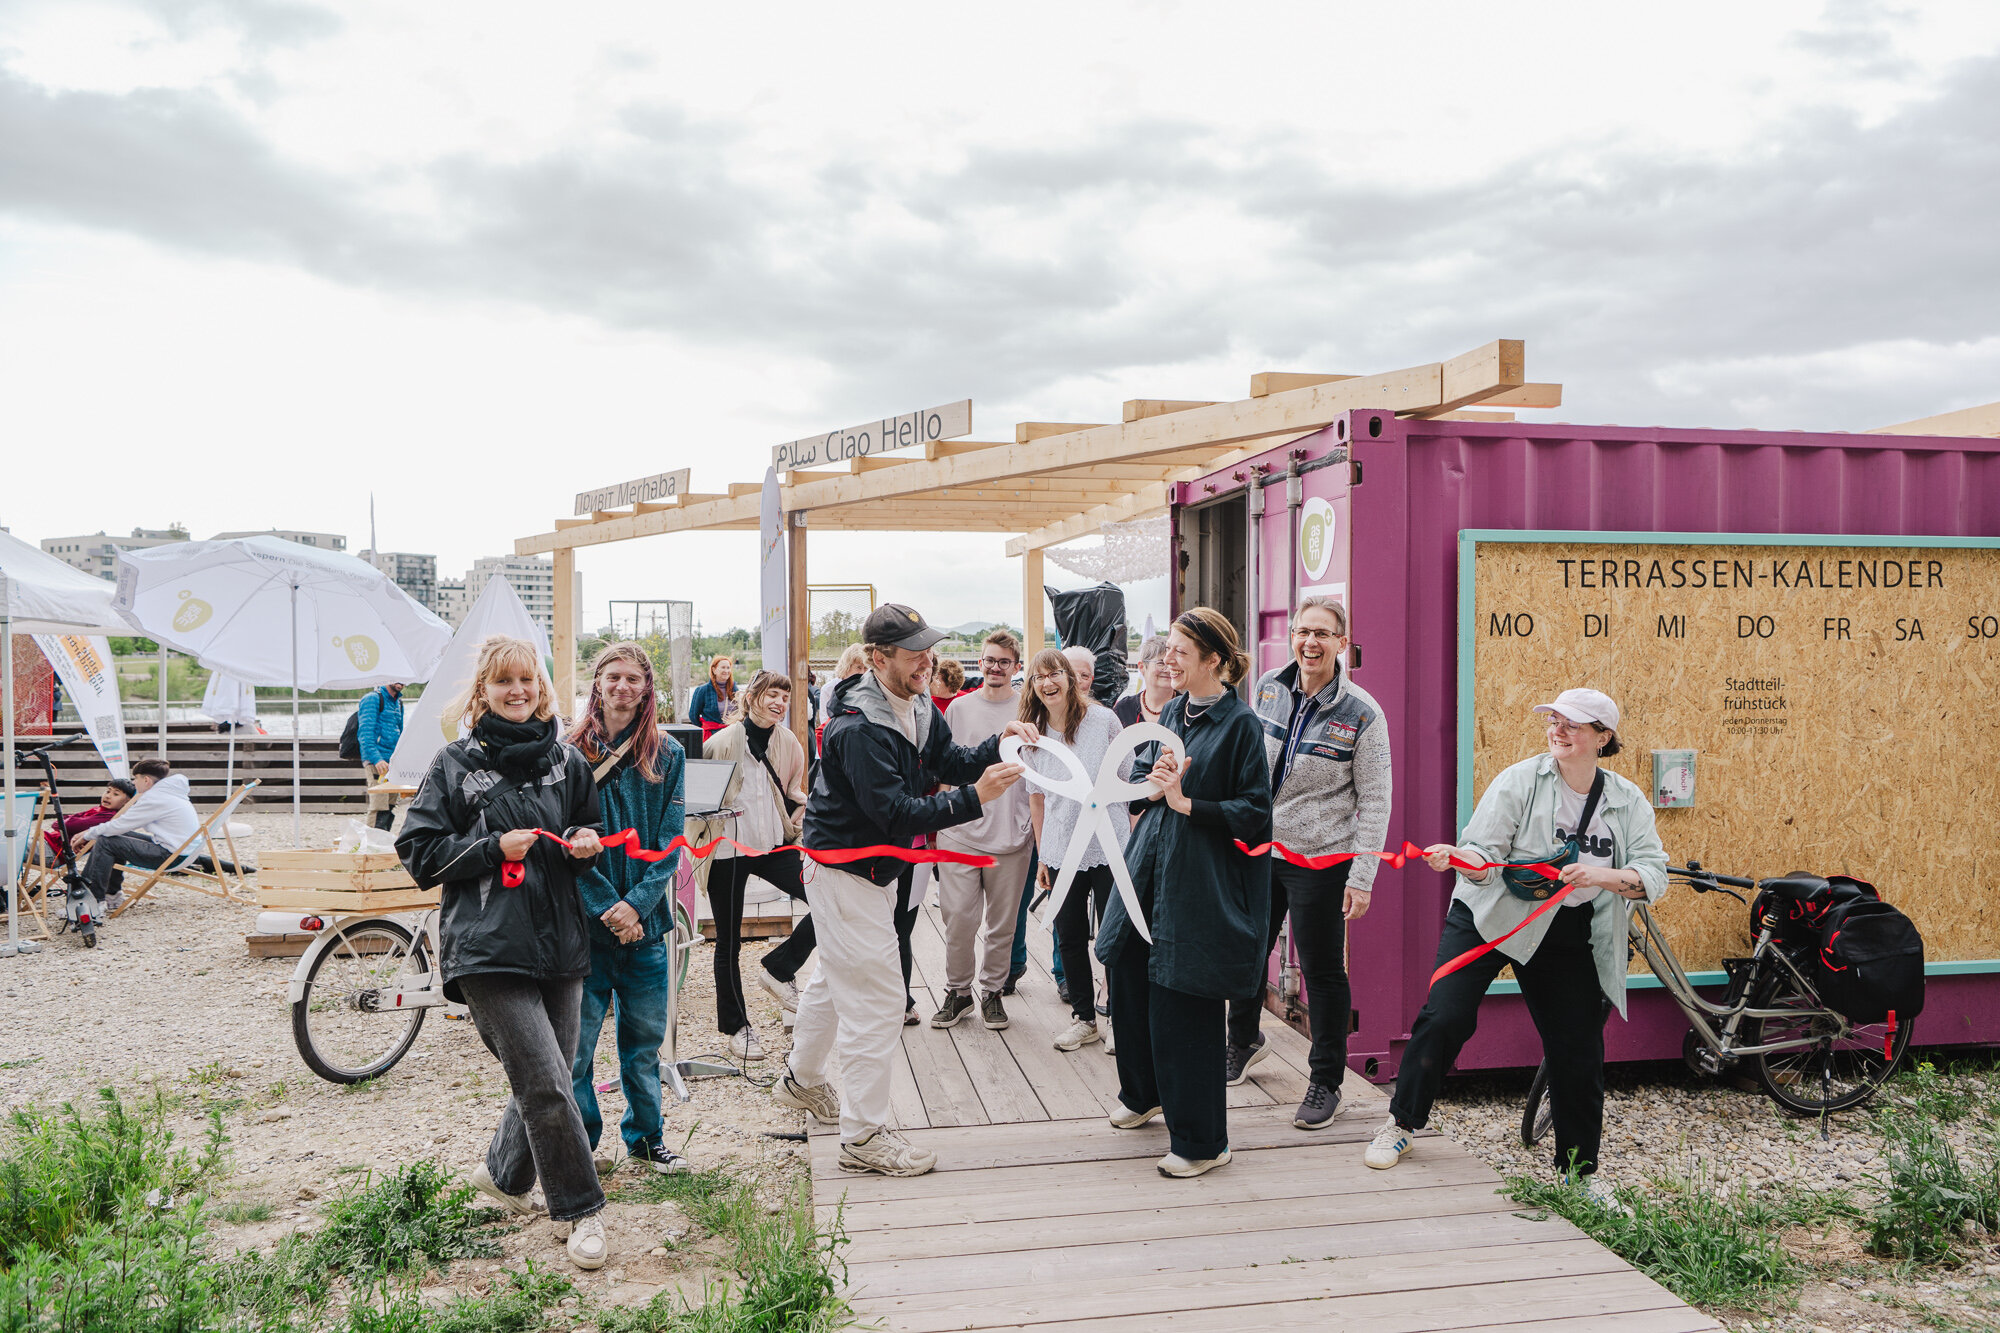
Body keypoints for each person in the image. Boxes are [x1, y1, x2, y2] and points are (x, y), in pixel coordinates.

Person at [1364, 688, 1666, 1198]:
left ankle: (1577, 1173)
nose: (1559, 729)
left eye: (1573, 723)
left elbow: (1652, 873)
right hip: (1492, 916)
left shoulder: (1625, 799)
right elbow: (1484, 852)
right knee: (1446, 1015)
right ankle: (1400, 1125)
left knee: (1578, 1048)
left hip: (1566, 929)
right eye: (1554, 719)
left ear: (1603, 737)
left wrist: (1600, 877)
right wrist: (1463, 859)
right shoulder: (1521, 781)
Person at [773, 603, 1032, 1177]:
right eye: (913, 652)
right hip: (845, 871)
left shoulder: (916, 706)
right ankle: (863, 1137)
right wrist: (978, 798)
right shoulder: (858, 727)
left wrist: (1001, 742)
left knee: (836, 979)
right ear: (878, 658)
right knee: (879, 1001)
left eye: (928, 649)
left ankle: (801, 1080)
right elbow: (896, 814)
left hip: (867, 870)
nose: (926, 661)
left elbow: (950, 760)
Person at [396, 636, 611, 1270]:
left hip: (563, 942)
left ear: (542, 688)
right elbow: (419, 854)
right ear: (482, 692)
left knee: (553, 1076)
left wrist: (583, 840)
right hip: (487, 949)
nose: (517, 691)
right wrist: (493, 848)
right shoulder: (453, 764)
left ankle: (505, 1175)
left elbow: (586, 822)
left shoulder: (568, 762)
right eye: (502, 682)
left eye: (527, 681)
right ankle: (581, 1211)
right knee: (546, 1082)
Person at [1098, 608, 1271, 1180]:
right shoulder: (1172, 710)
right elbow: (1149, 779)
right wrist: (1151, 785)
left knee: (1184, 993)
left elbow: (1255, 816)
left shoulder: (1241, 724)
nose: (1166, 660)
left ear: (1214, 660)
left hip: (1201, 880)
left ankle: (1203, 1141)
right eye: (1166, 649)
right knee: (1125, 964)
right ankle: (1144, 1091)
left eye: (1179, 651)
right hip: (1149, 864)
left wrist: (1188, 803)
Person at [1234, 595, 1391, 1129]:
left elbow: (1375, 801)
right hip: (1263, 849)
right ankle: (1242, 1040)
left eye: (1323, 633)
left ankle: (1326, 1080)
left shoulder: (1363, 713)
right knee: (1249, 949)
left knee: (1322, 971)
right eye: (1303, 632)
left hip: (1323, 859)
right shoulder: (1269, 688)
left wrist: (1363, 876)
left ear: (1342, 643)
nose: (1311, 642)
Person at [565, 643, 692, 1177]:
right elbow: (563, 840)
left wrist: (637, 905)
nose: (622, 688)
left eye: (632, 679)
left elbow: (670, 842)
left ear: (647, 688)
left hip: (646, 927)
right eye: (612, 677)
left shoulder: (668, 755)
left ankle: (646, 1138)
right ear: (598, 683)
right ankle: (581, 1143)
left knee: (643, 1043)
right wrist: (605, 905)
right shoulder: (568, 752)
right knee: (577, 1050)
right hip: (585, 929)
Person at [1021, 648, 1130, 1053]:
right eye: (1038, 677)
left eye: (1054, 675)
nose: (1047, 683)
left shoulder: (1102, 720)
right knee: (1069, 936)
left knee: (1114, 935)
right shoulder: (1032, 734)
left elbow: (1127, 777)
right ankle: (1084, 1018)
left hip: (1109, 843)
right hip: (1062, 845)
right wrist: (1044, 855)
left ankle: (1119, 1018)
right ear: (1033, 686)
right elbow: (1036, 798)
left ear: (1069, 678)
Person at [930, 632, 1034, 1032]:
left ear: (1016, 666)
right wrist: (940, 822)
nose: (995, 667)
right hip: (960, 832)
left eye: (1004, 662)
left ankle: (992, 992)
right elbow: (944, 767)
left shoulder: (1028, 709)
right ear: (980, 662)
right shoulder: (957, 708)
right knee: (957, 918)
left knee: (1003, 923)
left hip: (1011, 832)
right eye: (989, 660)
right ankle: (958, 992)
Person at [705, 670, 813, 1056]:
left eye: (785, 697)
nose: (779, 703)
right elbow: (703, 798)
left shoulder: (790, 743)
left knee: (826, 901)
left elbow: (797, 791)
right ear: (751, 697)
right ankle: (738, 1028)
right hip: (728, 849)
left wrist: (799, 816)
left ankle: (779, 968)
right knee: (728, 941)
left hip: (772, 844)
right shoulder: (720, 743)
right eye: (772, 694)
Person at [74, 759, 198, 911]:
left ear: (146, 780)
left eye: (135, 778)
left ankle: (90, 903)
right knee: (116, 836)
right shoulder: (170, 792)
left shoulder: (155, 798)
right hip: (183, 851)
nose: (133, 783)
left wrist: (87, 834)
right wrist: (90, 833)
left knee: (106, 841)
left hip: (172, 856)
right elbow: (120, 828)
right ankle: (112, 896)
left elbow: (120, 824)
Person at [40, 778, 133, 861]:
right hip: (48, 842)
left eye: (116, 794)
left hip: (53, 851)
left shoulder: (107, 817)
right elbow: (57, 823)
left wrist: (71, 818)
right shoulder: (98, 810)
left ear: (127, 802)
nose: (108, 796)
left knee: (24, 846)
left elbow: (63, 825)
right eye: (108, 791)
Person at [357, 682, 406, 832]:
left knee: (389, 806)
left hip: (392, 762)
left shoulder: (398, 702)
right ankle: (370, 848)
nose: (401, 682)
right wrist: (376, 758)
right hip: (376, 762)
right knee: (378, 806)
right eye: (396, 677)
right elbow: (364, 733)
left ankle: (382, 842)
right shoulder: (372, 699)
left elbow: (401, 732)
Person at [1114, 636, 1173, 727]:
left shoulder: (1185, 710)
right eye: (1161, 663)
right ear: (1142, 667)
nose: (1168, 670)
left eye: (1172, 664)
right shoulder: (1124, 709)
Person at [818, 644, 866, 748]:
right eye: (858, 667)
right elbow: (825, 722)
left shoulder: (868, 688)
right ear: (847, 666)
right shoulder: (829, 689)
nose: (862, 673)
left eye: (866, 668)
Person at [688, 656, 738, 739]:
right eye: (723, 667)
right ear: (714, 670)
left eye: (728, 668)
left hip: (732, 734)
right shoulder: (702, 690)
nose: (726, 671)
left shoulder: (735, 689)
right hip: (711, 736)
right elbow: (693, 715)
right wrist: (706, 728)